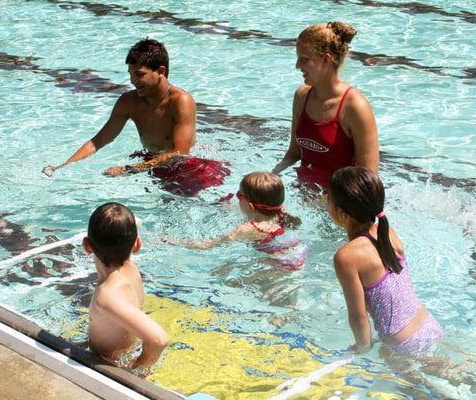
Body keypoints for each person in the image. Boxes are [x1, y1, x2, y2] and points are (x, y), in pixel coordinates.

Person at [43, 38, 229, 196]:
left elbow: (180, 152)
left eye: (140, 74)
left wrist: (130, 169)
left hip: (189, 167)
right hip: (154, 163)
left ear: (161, 71)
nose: (133, 81)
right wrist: (64, 165)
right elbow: (98, 141)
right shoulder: (128, 102)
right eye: (131, 74)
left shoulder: (181, 101)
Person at [327, 166, 443, 355]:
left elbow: (359, 317)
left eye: (328, 199)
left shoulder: (346, 257)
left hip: (402, 342)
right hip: (427, 322)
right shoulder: (387, 231)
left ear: (341, 213)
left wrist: (362, 349)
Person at [273, 22, 379, 190]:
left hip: (340, 208)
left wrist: (328, 203)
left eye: (304, 59)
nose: (297, 66)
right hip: (305, 194)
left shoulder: (355, 107)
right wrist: (272, 176)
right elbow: (294, 153)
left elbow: (369, 180)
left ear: (326, 59)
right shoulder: (302, 97)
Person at [84, 202, 169, 376]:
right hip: (128, 350)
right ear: (137, 244)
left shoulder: (106, 296)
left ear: (87, 246)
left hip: (109, 366)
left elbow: (159, 340)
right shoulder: (131, 270)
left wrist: (136, 371)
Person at [171, 172, 308, 270]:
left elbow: (207, 245)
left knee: (218, 274)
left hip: (278, 268)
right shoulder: (282, 215)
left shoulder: (248, 229)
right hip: (299, 259)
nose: (237, 199)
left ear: (249, 206)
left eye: (239, 195)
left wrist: (174, 242)